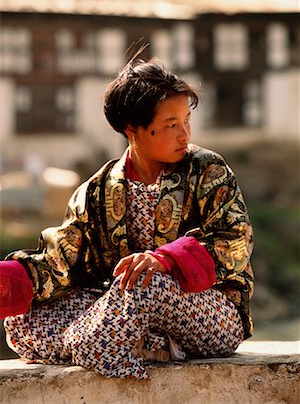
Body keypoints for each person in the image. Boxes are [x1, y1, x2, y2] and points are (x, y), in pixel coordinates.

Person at [0, 56, 254, 379]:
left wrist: (164, 261)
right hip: (125, 308)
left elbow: (236, 241)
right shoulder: (96, 190)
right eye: (170, 125)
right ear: (132, 129)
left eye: (186, 120)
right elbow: (59, 262)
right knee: (22, 320)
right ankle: (135, 343)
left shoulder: (208, 171)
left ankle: (99, 345)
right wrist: (9, 282)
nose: (184, 134)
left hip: (210, 312)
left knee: (147, 284)